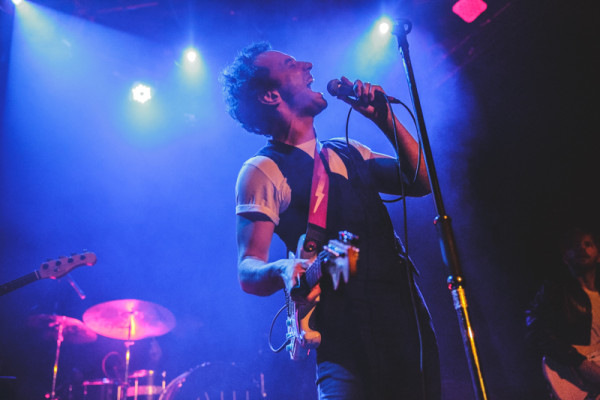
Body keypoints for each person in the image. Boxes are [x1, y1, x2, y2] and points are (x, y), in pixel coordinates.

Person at [221, 42, 441, 399]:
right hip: (344, 338)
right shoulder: (262, 170)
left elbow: (419, 181)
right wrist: (280, 269)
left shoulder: (347, 149)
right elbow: (248, 268)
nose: (308, 63)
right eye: (291, 63)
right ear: (271, 95)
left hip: (405, 319)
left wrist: (384, 118)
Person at [526, 226, 600, 397]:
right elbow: (535, 331)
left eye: (588, 244)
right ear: (565, 257)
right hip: (576, 380)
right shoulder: (554, 291)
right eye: (575, 246)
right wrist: (580, 363)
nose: (582, 248)